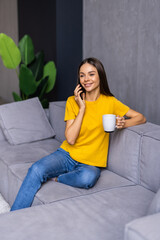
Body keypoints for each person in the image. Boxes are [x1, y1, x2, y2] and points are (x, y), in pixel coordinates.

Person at [11, 57, 146, 211]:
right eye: (82, 75)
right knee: (36, 169)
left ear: (100, 76)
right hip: (66, 155)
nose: (86, 79)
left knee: (87, 178)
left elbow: (141, 117)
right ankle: (13, 217)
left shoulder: (111, 102)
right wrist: (81, 108)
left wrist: (123, 123)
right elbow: (71, 138)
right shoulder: (71, 102)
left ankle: (58, 178)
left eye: (91, 74)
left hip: (91, 162)